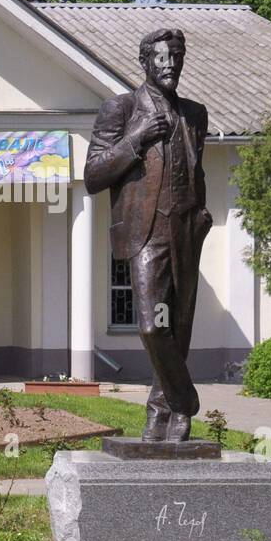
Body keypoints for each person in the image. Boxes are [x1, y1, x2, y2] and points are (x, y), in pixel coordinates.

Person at [84, 28, 212, 442]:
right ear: (144, 62)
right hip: (146, 230)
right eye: (161, 58)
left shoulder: (196, 113)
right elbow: (93, 175)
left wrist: (202, 215)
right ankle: (185, 397)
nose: (169, 64)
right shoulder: (119, 110)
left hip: (186, 228)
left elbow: (194, 169)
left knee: (179, 324)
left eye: (176, 56)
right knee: (152, 326)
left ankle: (164, 412)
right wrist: (136, 139)